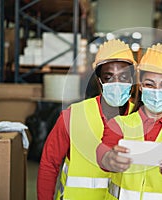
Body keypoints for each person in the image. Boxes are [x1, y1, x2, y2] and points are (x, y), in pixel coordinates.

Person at [96, 43, 162, 200]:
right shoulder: (119, 124)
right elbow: (102, 152)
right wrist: (108, 159)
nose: (156, 92)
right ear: (140, 86)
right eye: (150, 84)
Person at [37, 39, 137, 200]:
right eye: (109, 77)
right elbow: (49, 164)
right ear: (99, 81)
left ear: (132, 81)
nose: (117, 84)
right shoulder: (73, 116)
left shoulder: (141, 118)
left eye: (124, 77)